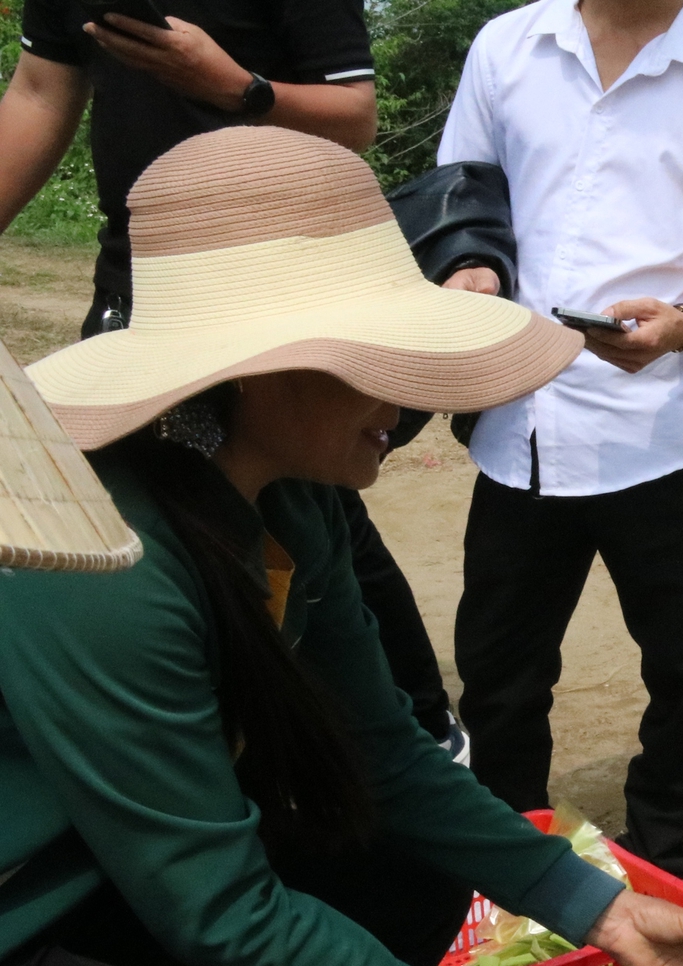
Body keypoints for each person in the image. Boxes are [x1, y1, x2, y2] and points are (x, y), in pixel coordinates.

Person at [2, 127, 683, 966]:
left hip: (99, 868)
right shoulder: (112, 563)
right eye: (377, 360)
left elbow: (387, 757)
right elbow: (219, 909)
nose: (406, 401)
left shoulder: (291, 496)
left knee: (400, 862)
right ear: (259, 371)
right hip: (18, 929)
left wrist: (600, 907)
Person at [0, 0, 473, 760]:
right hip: (145, 293)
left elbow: (355, 115)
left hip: (286, 296)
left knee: (307, 521)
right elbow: (37, 93)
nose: (396, 397)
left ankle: (415, 726)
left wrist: (234, 87)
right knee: (175, 535)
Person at [435, 0, 683, 878]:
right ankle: (510, 851)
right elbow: (463, 192)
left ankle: (657, 852)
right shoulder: (509, 48)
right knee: (499, 668)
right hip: (521, 421)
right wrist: (468, 266)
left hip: (663, 434)